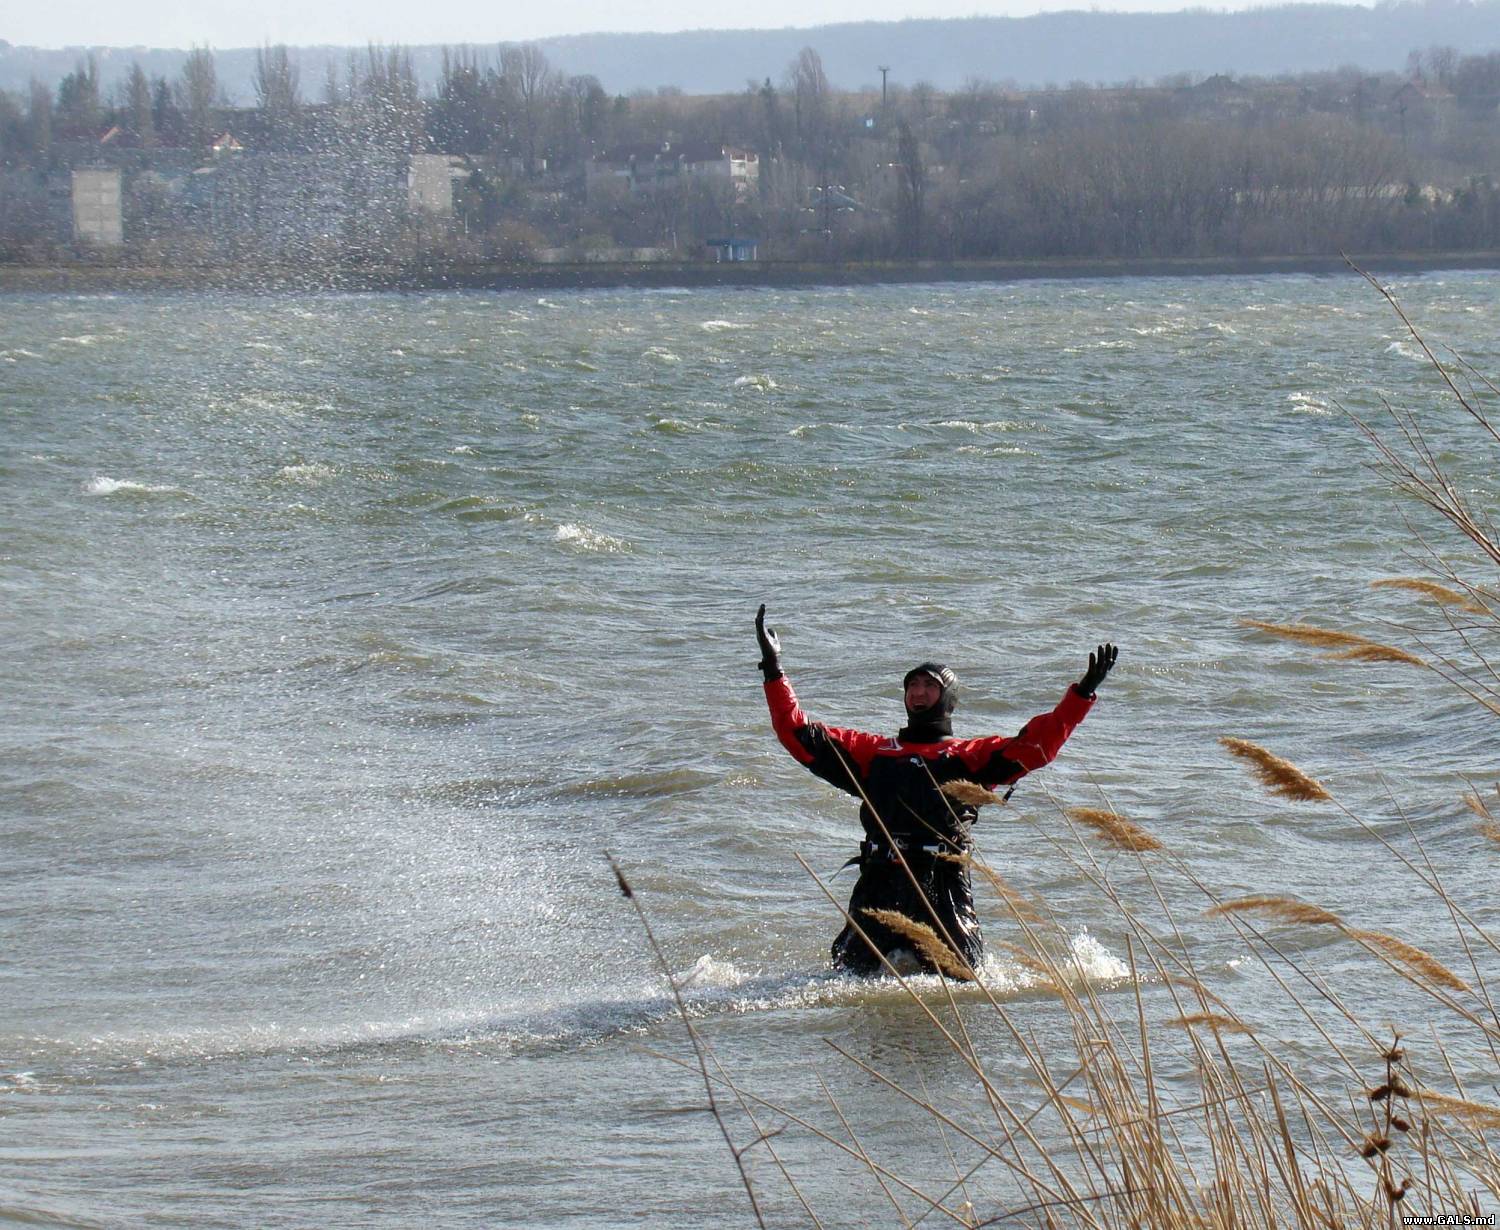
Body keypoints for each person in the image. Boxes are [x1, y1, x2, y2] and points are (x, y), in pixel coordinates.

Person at [755, 604, 1117, 977]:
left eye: (929, 685)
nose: (918, 692)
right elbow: (797, 733)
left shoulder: (971, 757)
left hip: (942, 882)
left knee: (964, 980)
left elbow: (1038, 746)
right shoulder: (872, 752)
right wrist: (773, 668)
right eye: (912, 685)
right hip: (880, 878)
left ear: (948, 699)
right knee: (848, 977)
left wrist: (1081, 694)